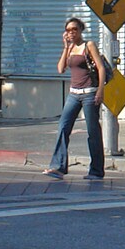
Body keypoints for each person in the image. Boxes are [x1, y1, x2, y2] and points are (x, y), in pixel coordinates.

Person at [48, 18, 106, 180]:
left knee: (93, 131)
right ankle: (58, 167)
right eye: (68, 30)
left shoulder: (88, 45)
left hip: (89, 93)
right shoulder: (71, 47)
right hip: (73, 93)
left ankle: (96, 171)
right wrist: (66, 48)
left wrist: (100, 90)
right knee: (63, 127)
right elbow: (60, 69)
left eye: (74, 29)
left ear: (81, 30)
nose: (71, 32)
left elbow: (100, 67)